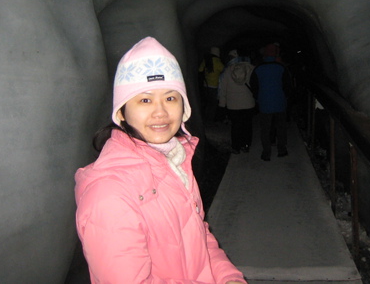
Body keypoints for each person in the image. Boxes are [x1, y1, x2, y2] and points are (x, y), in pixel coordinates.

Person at [74, 37, 246, 284]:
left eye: (170, 98)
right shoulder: (109, 193)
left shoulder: (175, 163)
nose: (160, 112)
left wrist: (228, 277)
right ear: (121, 112)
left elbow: (197, 234)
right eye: (144, 100)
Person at [250, 43, 291, 161]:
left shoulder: (258, 69)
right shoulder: (282, 68)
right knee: (281, 127)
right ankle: (281, 150)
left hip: (264, 104)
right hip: (280, 103)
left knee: (265, 129)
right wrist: (285, 97)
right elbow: (288, 86)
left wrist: (258, 98)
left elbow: (254, 86)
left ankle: (266, 153)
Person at [218, 49, 256, 154]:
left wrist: (222, 105)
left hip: (233, 105)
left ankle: (236, 147)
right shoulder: (251, 68)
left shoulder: (227, 71)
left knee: (236, 126)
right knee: (247, 125)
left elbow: (223, 89)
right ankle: (246, 145)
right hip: (249, 103)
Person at [198, 47, 224, 123]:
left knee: (207, 104)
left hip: (206, 85)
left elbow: (200, 70)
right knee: (213, 105)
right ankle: (210, 121)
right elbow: (224, 70)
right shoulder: (217, 61)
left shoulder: (206, 60)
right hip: (214, 86)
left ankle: (205, 120)